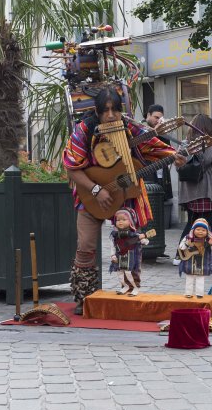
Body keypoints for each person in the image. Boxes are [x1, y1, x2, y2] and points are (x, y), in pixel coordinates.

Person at [63, 89, 182, 314]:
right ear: (97, 112)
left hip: (124, 196)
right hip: (90, 195)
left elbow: (161, 150)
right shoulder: (84, 130)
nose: (110, 115)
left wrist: (178, 158)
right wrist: (97, 189)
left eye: (115, 109)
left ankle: (128, 295)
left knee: (129, 248)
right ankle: (83, 297)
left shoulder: (131, 129)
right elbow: (71, 167)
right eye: (105, 110)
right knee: (86, 247)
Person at [175, 113, 212, 264]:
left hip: (189, 194)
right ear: (208, 128)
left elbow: (178, 166)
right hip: (207, 193)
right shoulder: (210, 144)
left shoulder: (184, 144)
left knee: (193, 223)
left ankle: (179, 255)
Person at [109, 208, 149, 297]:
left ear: (130, 221)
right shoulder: (114, 235)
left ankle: (135, 287)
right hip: (119, 256)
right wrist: (112, 255)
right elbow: (112, 245)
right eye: (118, 220)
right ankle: (125, 286)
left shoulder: (134, 234)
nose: (120, 222)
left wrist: (143, 239)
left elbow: (144, 241)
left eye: (124, 219)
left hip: (130, 256)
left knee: (129, 273)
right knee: (119, 273)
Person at [178, 218, 212, 298]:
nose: (200, 231)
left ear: (207, 232)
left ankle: (199, 294)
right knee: (189, 277)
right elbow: (181, 248)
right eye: (198, 229)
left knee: (200, 278)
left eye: (203, 230)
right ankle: (188, 293)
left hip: (203, 262)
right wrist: (186, 244)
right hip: (190, 261)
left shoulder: (208, 240)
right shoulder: (187, 237)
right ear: (193, 230)